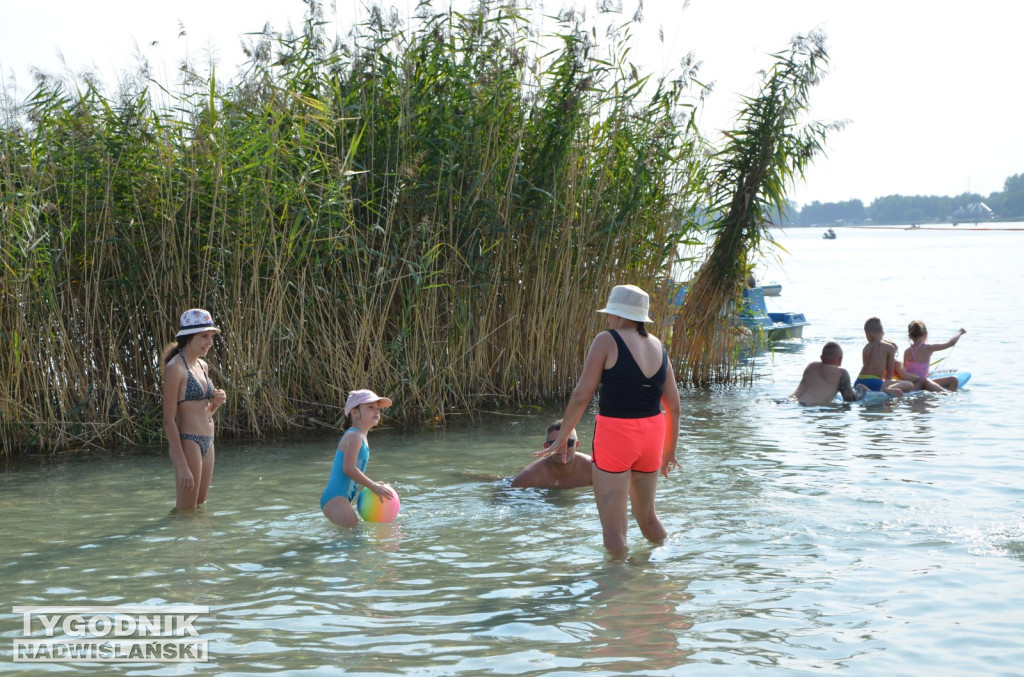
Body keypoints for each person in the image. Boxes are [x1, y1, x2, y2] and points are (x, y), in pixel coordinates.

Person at [542, 284, 681, 554]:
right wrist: (669, 453)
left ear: (617, 315)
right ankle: (671, 563)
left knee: (614, 531)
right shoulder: (658, 346)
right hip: (653, 434)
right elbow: (673, 407)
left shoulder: (606, 340)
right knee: (648, 517)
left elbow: (582, 395)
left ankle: (618, 590)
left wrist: (561, 438)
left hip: (616, 434)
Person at [161, 308, 227, 511]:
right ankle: (178, 541)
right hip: (189, 442)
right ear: (189, 337)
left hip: (209, 442)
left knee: (200, 506)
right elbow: (169, 420)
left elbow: (201, 411)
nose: (210, 342)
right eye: (204, 336)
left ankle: (200, 543)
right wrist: (181, 465)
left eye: (211, 336)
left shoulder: (203, 366)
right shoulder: (175, 368)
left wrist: (214, 404)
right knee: (186, 511)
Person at [321, 389, 397, 527]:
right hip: (336, 498)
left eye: (377, 408)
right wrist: (372, 486)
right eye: (370, 407)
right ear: (355, 413)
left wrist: (372, 484)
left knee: (350, 538)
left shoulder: (359, 436)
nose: (376, 411)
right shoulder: (355, 436)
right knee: (354, 539)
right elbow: (348, 468)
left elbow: (353, 470)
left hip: (339, 498)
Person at [511, 420, 593, 489]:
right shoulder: (529, 476)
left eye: (569, 442)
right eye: (555, 443)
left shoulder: (592, 469)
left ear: (577, 445)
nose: (562, 448)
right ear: (546, 447)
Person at [790, 342, 866, 405]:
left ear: (821, 357)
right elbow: (850, 400)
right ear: (840, 360)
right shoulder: (841, 373)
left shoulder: (810, 366)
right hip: (805, 406)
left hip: (788, 402)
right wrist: (859, 388)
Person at [855, 317, 910, 397]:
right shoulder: (890, 347)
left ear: (868, 334)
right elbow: (889, 372)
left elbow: (865, 365)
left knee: (871, 386)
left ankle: (866, 389)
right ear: (882, 333)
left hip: (859, 380)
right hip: (875, 382)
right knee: (909, 384)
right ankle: (887, 389)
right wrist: (887, 384)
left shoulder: (866, 347)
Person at [904, 321, 967, 391]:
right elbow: (951, 343)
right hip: (924, 383)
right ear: (926, 334)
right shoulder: (928, 348)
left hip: (912, 384)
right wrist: (960, 332)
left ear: (909, 336)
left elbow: (904, 371)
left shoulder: (907, 352)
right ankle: (950, 398)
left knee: (953, 380)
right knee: (953, 381)